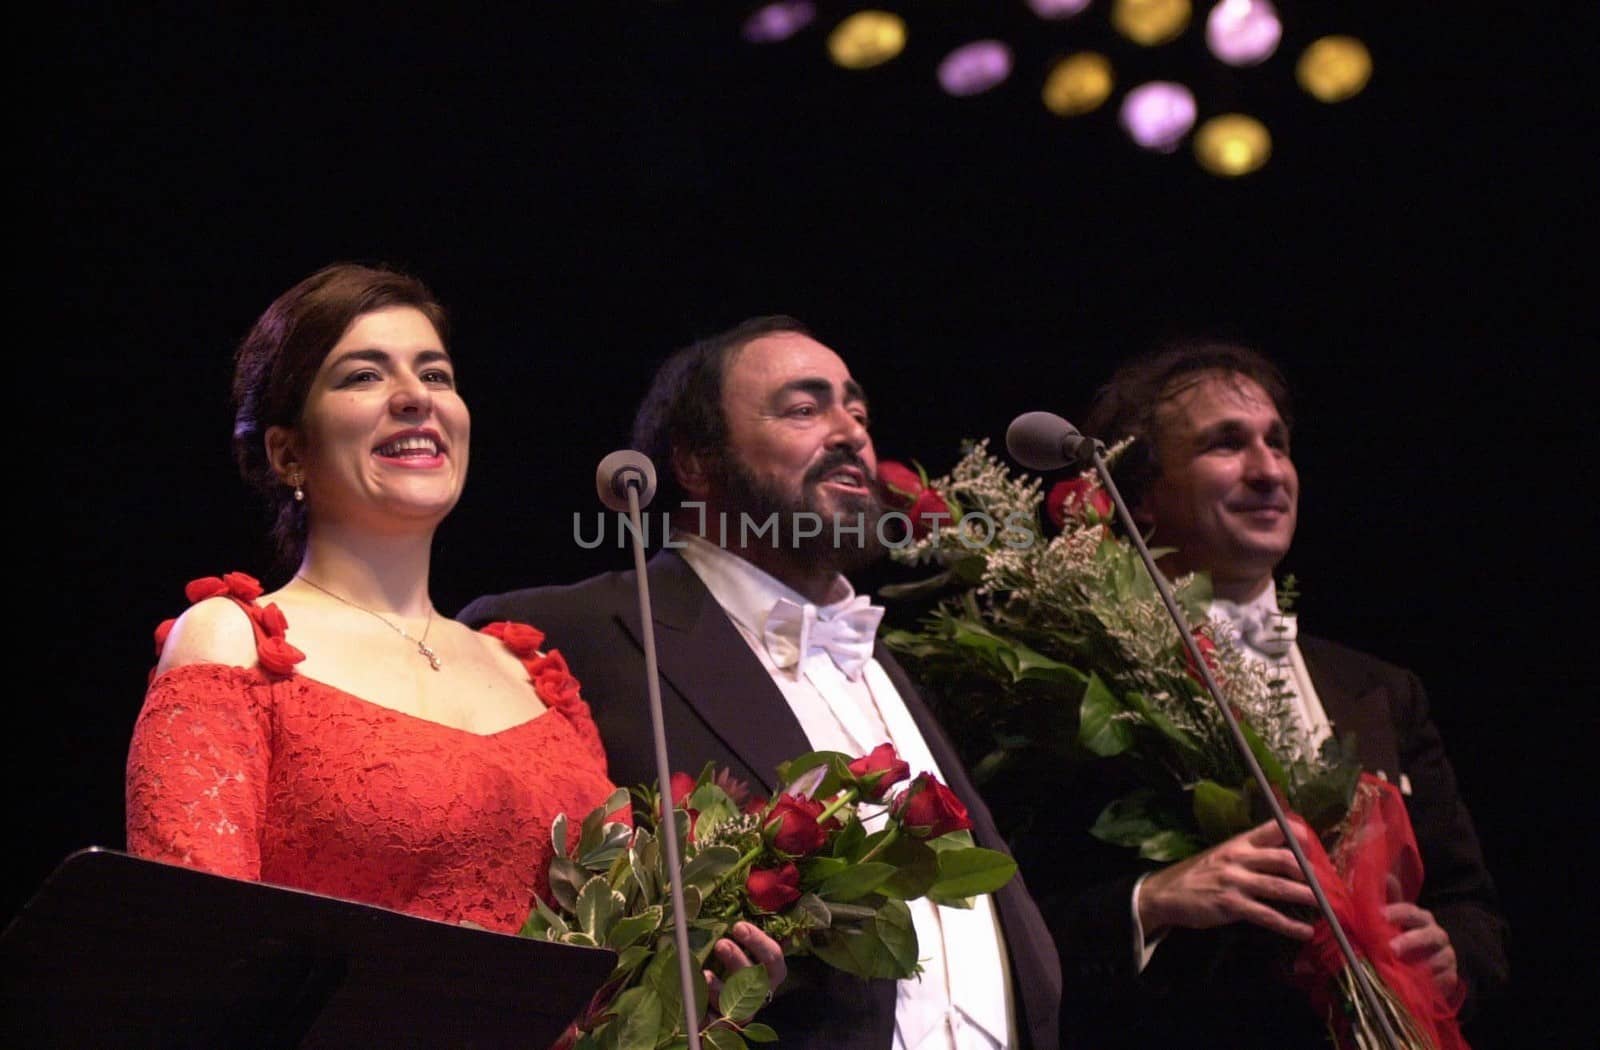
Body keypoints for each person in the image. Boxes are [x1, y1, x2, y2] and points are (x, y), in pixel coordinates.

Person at [124, 263, 783, 1031]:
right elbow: (190, 964)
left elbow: (599, 983)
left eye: (434, 372)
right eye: (363, 375)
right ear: (287, 454)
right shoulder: (233, 640)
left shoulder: (533, 677)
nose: (415, 395)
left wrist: (689, 999)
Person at [459, 316, 1062, 1050]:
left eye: (858, 410)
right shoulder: (573, 635)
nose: (850, 434)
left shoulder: (885, 659)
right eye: (805, 410)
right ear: (697, 463)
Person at [1034, 336, 1509, 1047]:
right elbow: (1010, 922)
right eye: (1225, 445)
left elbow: (1472, 912)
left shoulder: (1382, 689)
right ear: (1141, 498)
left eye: (1278, 444)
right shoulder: (1077, 678)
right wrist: (1150, 902)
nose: (1268, 472)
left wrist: (1450, 951)